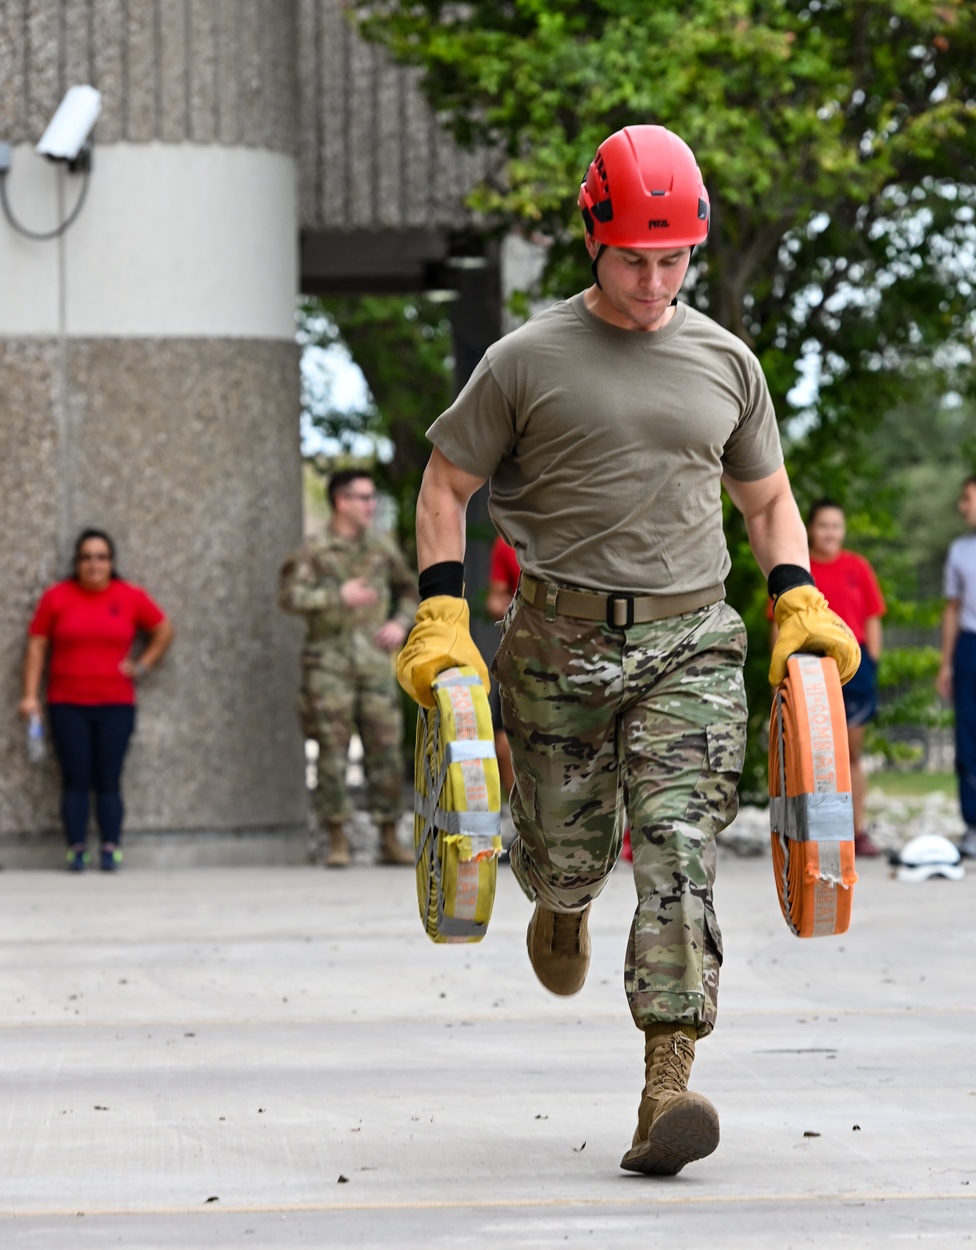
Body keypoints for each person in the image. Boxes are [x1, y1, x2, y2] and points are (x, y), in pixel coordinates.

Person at [396, 124, 859, 1176]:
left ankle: (666, 1082)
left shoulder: (724, 361)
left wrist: (792, 594)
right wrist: (442, 613)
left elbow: (770, 499)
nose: (656, 283)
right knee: (564, 852)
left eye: (674, 259)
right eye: (635, 259)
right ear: (592, 238)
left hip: (692, 640)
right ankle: (559, 906)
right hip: (556, 639)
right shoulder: (523, 362)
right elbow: (443, 486)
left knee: (676, 849)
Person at [279, 469, 419, 868]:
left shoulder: (381, 548)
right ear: (341, 502)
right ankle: (336, 838)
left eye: (373, 498)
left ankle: (389, 838)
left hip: (374, 666)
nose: (371, 505)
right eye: (363, 497)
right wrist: (335, 594)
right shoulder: (314, 550)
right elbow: (288, 596)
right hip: (328, 666)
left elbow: (410, 588)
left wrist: (400, 622)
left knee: (386, 750)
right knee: (332, 753)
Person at [19, 528, 173, 872]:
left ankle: (110, 847)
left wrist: (143, 664)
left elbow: (164, 629)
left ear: (111, 562)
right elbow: (37, 644)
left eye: (101, 557)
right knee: (75, 778)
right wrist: (30, 695)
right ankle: (76, 849)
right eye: (87, 557)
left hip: (116, 704)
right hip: (67, 703)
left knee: (108, 778)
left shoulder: (130, 596)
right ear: (77, 563)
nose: (94, 564)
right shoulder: (57, 597)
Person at [769, 500, 887, 858]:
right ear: (810, 529)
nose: (830, 532)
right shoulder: (797, 572)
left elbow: (873, 617)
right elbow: (778, 622)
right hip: (807, 666)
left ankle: (856, 830)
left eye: (837, 525)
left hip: (855, 665)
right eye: (823, 526)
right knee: (810, 753)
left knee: (850, 752)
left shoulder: (857, 567)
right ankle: (814, 833)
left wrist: (874, 664)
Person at [935, 473, 976, 859]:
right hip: (972, 650)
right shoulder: (960, 550)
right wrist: (945, 664)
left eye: (967, 498)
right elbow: (953, 609)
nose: (962, 507)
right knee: (969, 742)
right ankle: (973, 826)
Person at [486, 534, 520, 798]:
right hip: (519, 651)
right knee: (504, 739)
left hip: (571, 651)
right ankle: (517, 818)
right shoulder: (508, 540)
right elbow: (494, 599)